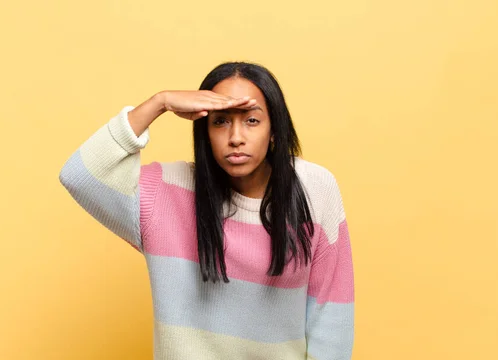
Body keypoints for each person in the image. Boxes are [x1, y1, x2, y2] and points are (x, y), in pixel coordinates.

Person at [59, 61, 354, 359]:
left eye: (251, 120)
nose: (236, 137)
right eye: (220, 121)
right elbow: (79, 176)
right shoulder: (166, 193)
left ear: (274, 130)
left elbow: (331, 316)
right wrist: (158, 103)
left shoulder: (315, 189)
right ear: (204, 132)